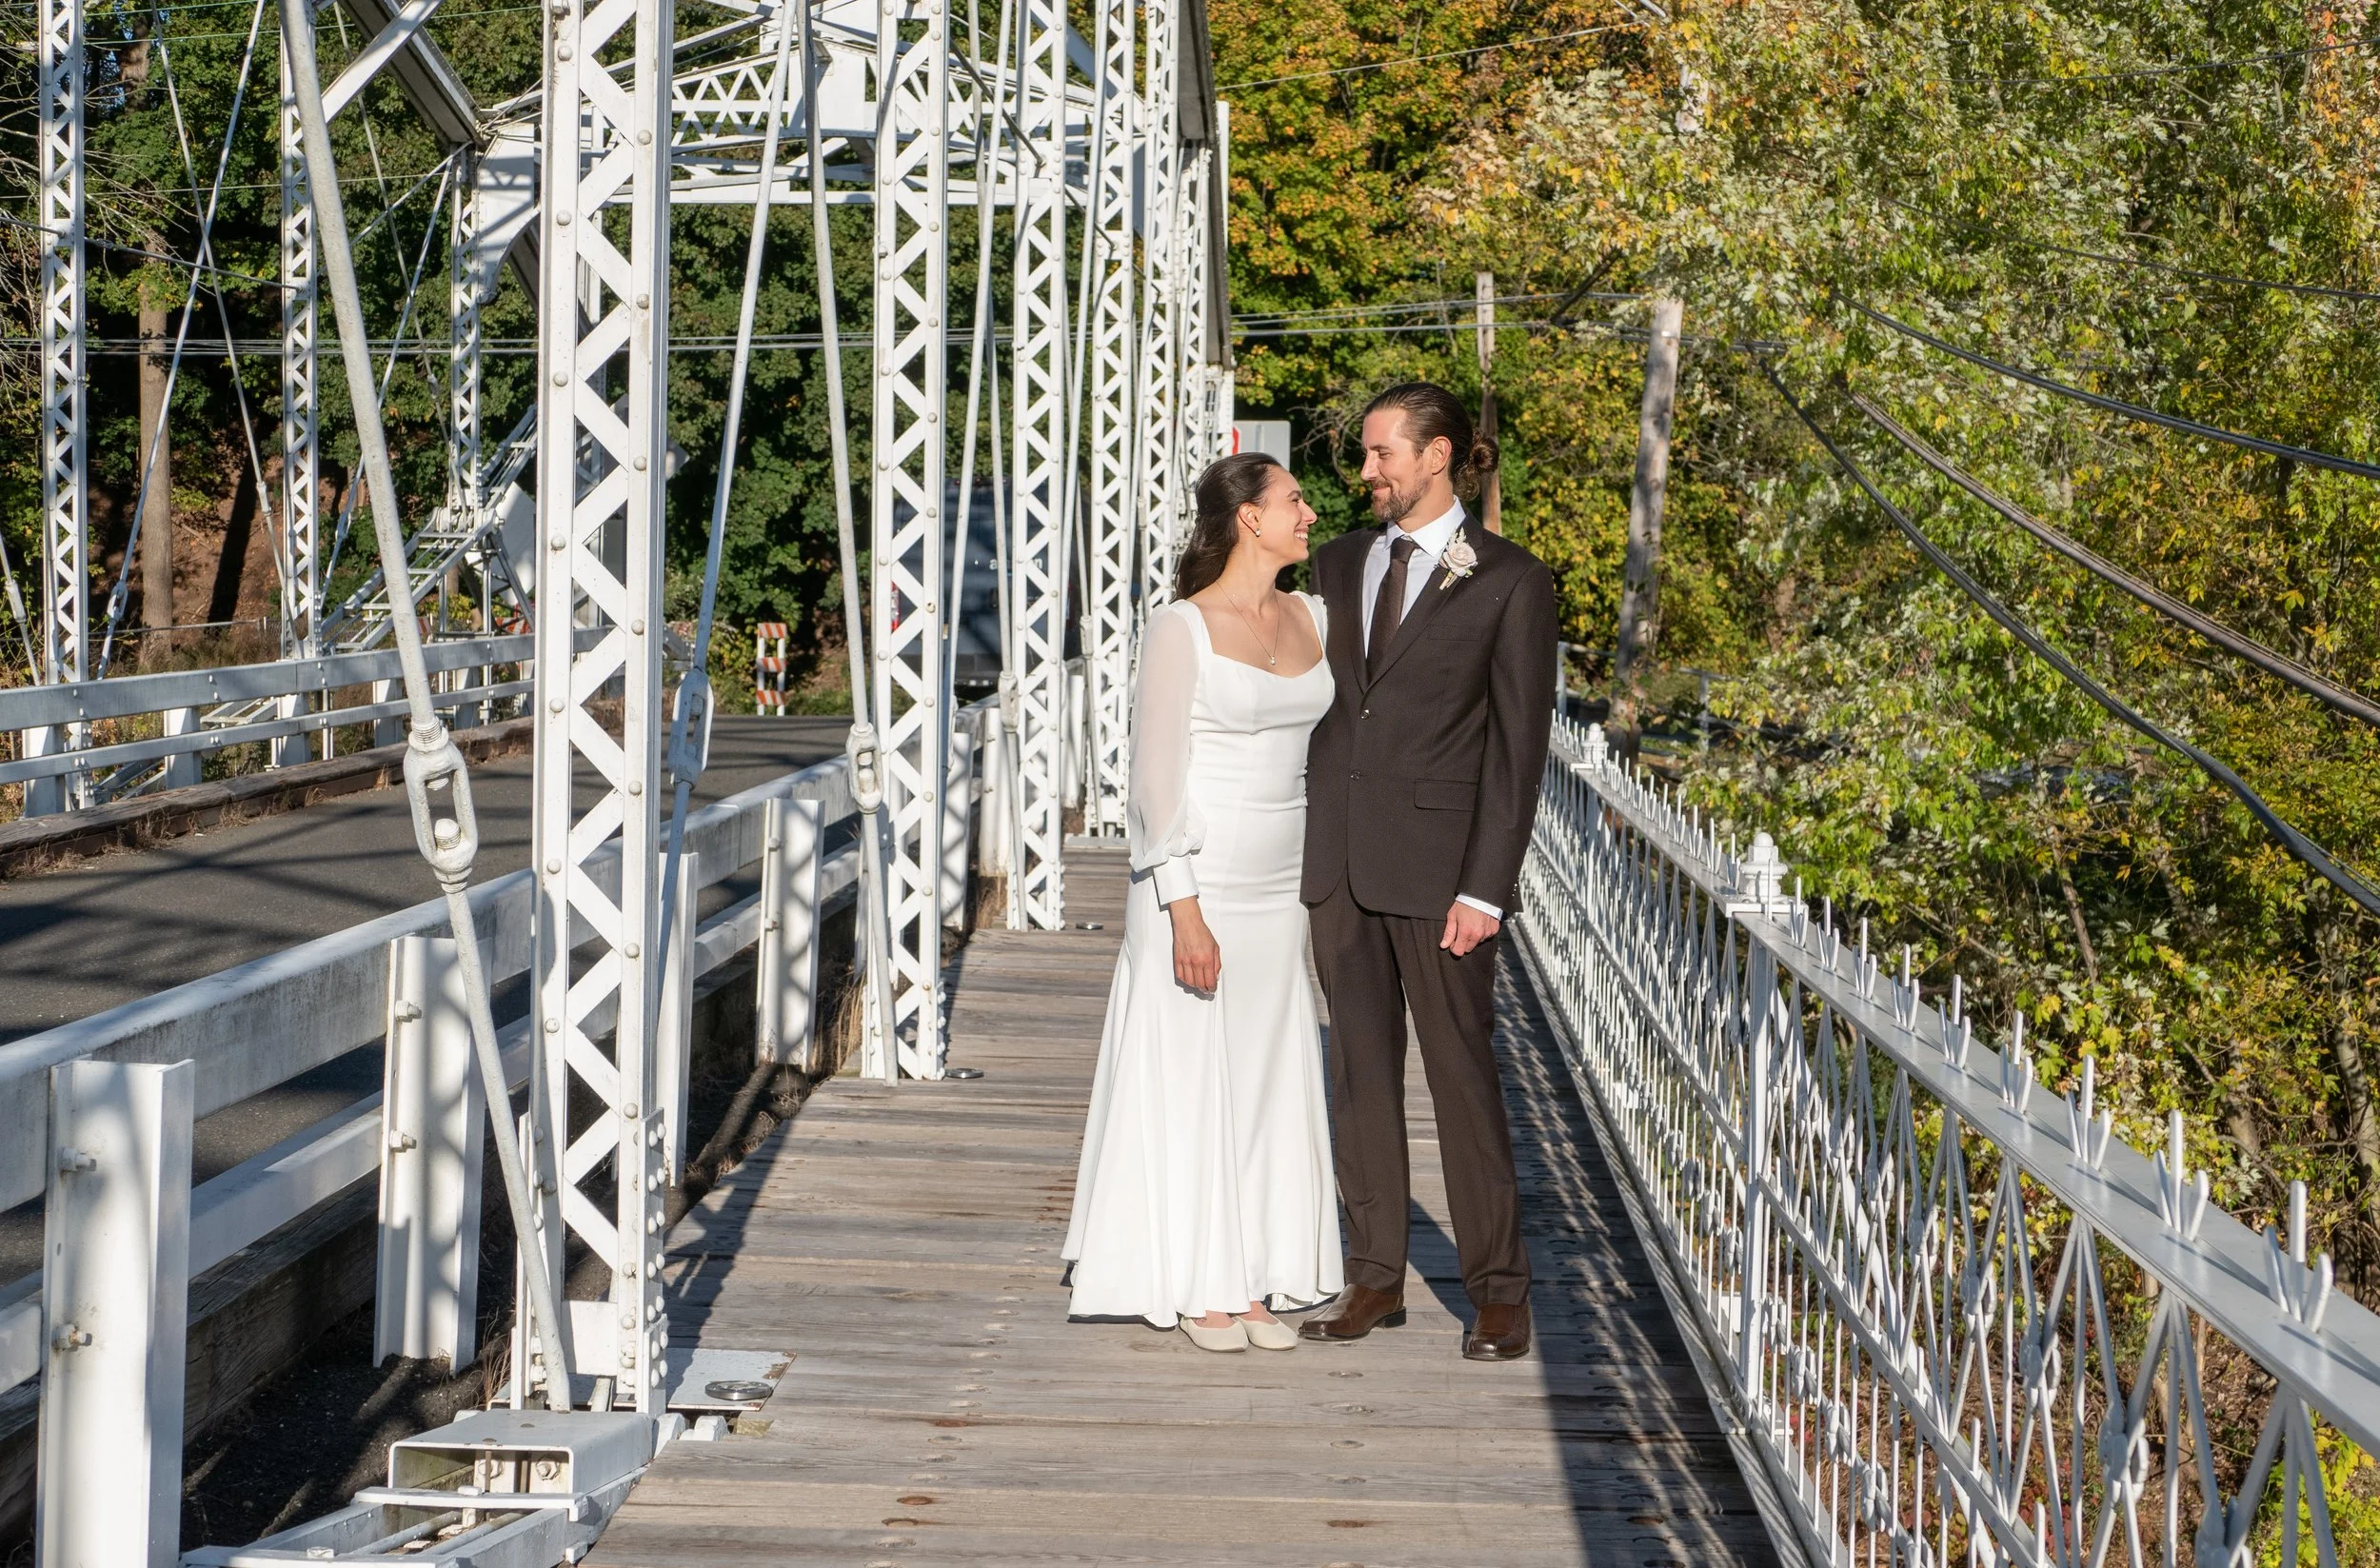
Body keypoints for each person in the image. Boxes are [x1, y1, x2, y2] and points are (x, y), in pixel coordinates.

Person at [1061, 452, 1345, 1352]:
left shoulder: (1314, 615)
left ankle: (1254, 1267)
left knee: (1262, 1071)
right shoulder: (1179, 627)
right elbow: (1153, 782)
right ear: (1250, 519)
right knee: (1193, 1065)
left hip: (1280, 885)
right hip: (1200, 880)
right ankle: (1195, 1273)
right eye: (1294, 499)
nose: (1310, 512)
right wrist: (1183, 906)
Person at [1298, 381, 1557, 1361]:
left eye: (1381, 455)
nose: (1366, 473)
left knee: (1461, 1083)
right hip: (1341, 866)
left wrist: (1485, 887)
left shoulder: (1508, 580)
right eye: (1365, 457)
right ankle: (1374, 1280)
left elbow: (1515, 748)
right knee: (1359, 1080)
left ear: (1438, 454)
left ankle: (1499, 1291)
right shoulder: (1334, 564)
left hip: (1447, 877)